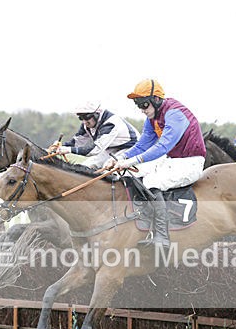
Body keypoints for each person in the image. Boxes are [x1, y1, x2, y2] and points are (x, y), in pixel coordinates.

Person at [104, 79, 206, 248]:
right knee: (130, 173)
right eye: (138, 105)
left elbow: (164, 145)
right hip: (172, 161)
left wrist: (132, 161)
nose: (142, 110)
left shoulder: (175, 113)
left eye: (144, 104)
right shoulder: (152, 118)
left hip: (191, 162)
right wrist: (120, 159)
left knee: (152, 182)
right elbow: (142, 145)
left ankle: (162, 236)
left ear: (156, 99)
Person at [49, 101, 139, 169]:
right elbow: (77, 142)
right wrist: (60, 147)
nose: (84, 121)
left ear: (97, 114)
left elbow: (95, 150)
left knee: (108, 168)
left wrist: (68, 150)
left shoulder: (110, 124)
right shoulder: (87, 124)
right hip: (112, 148)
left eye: (86, 117)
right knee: (84, 167)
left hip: (131, 148)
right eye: (81, 118)